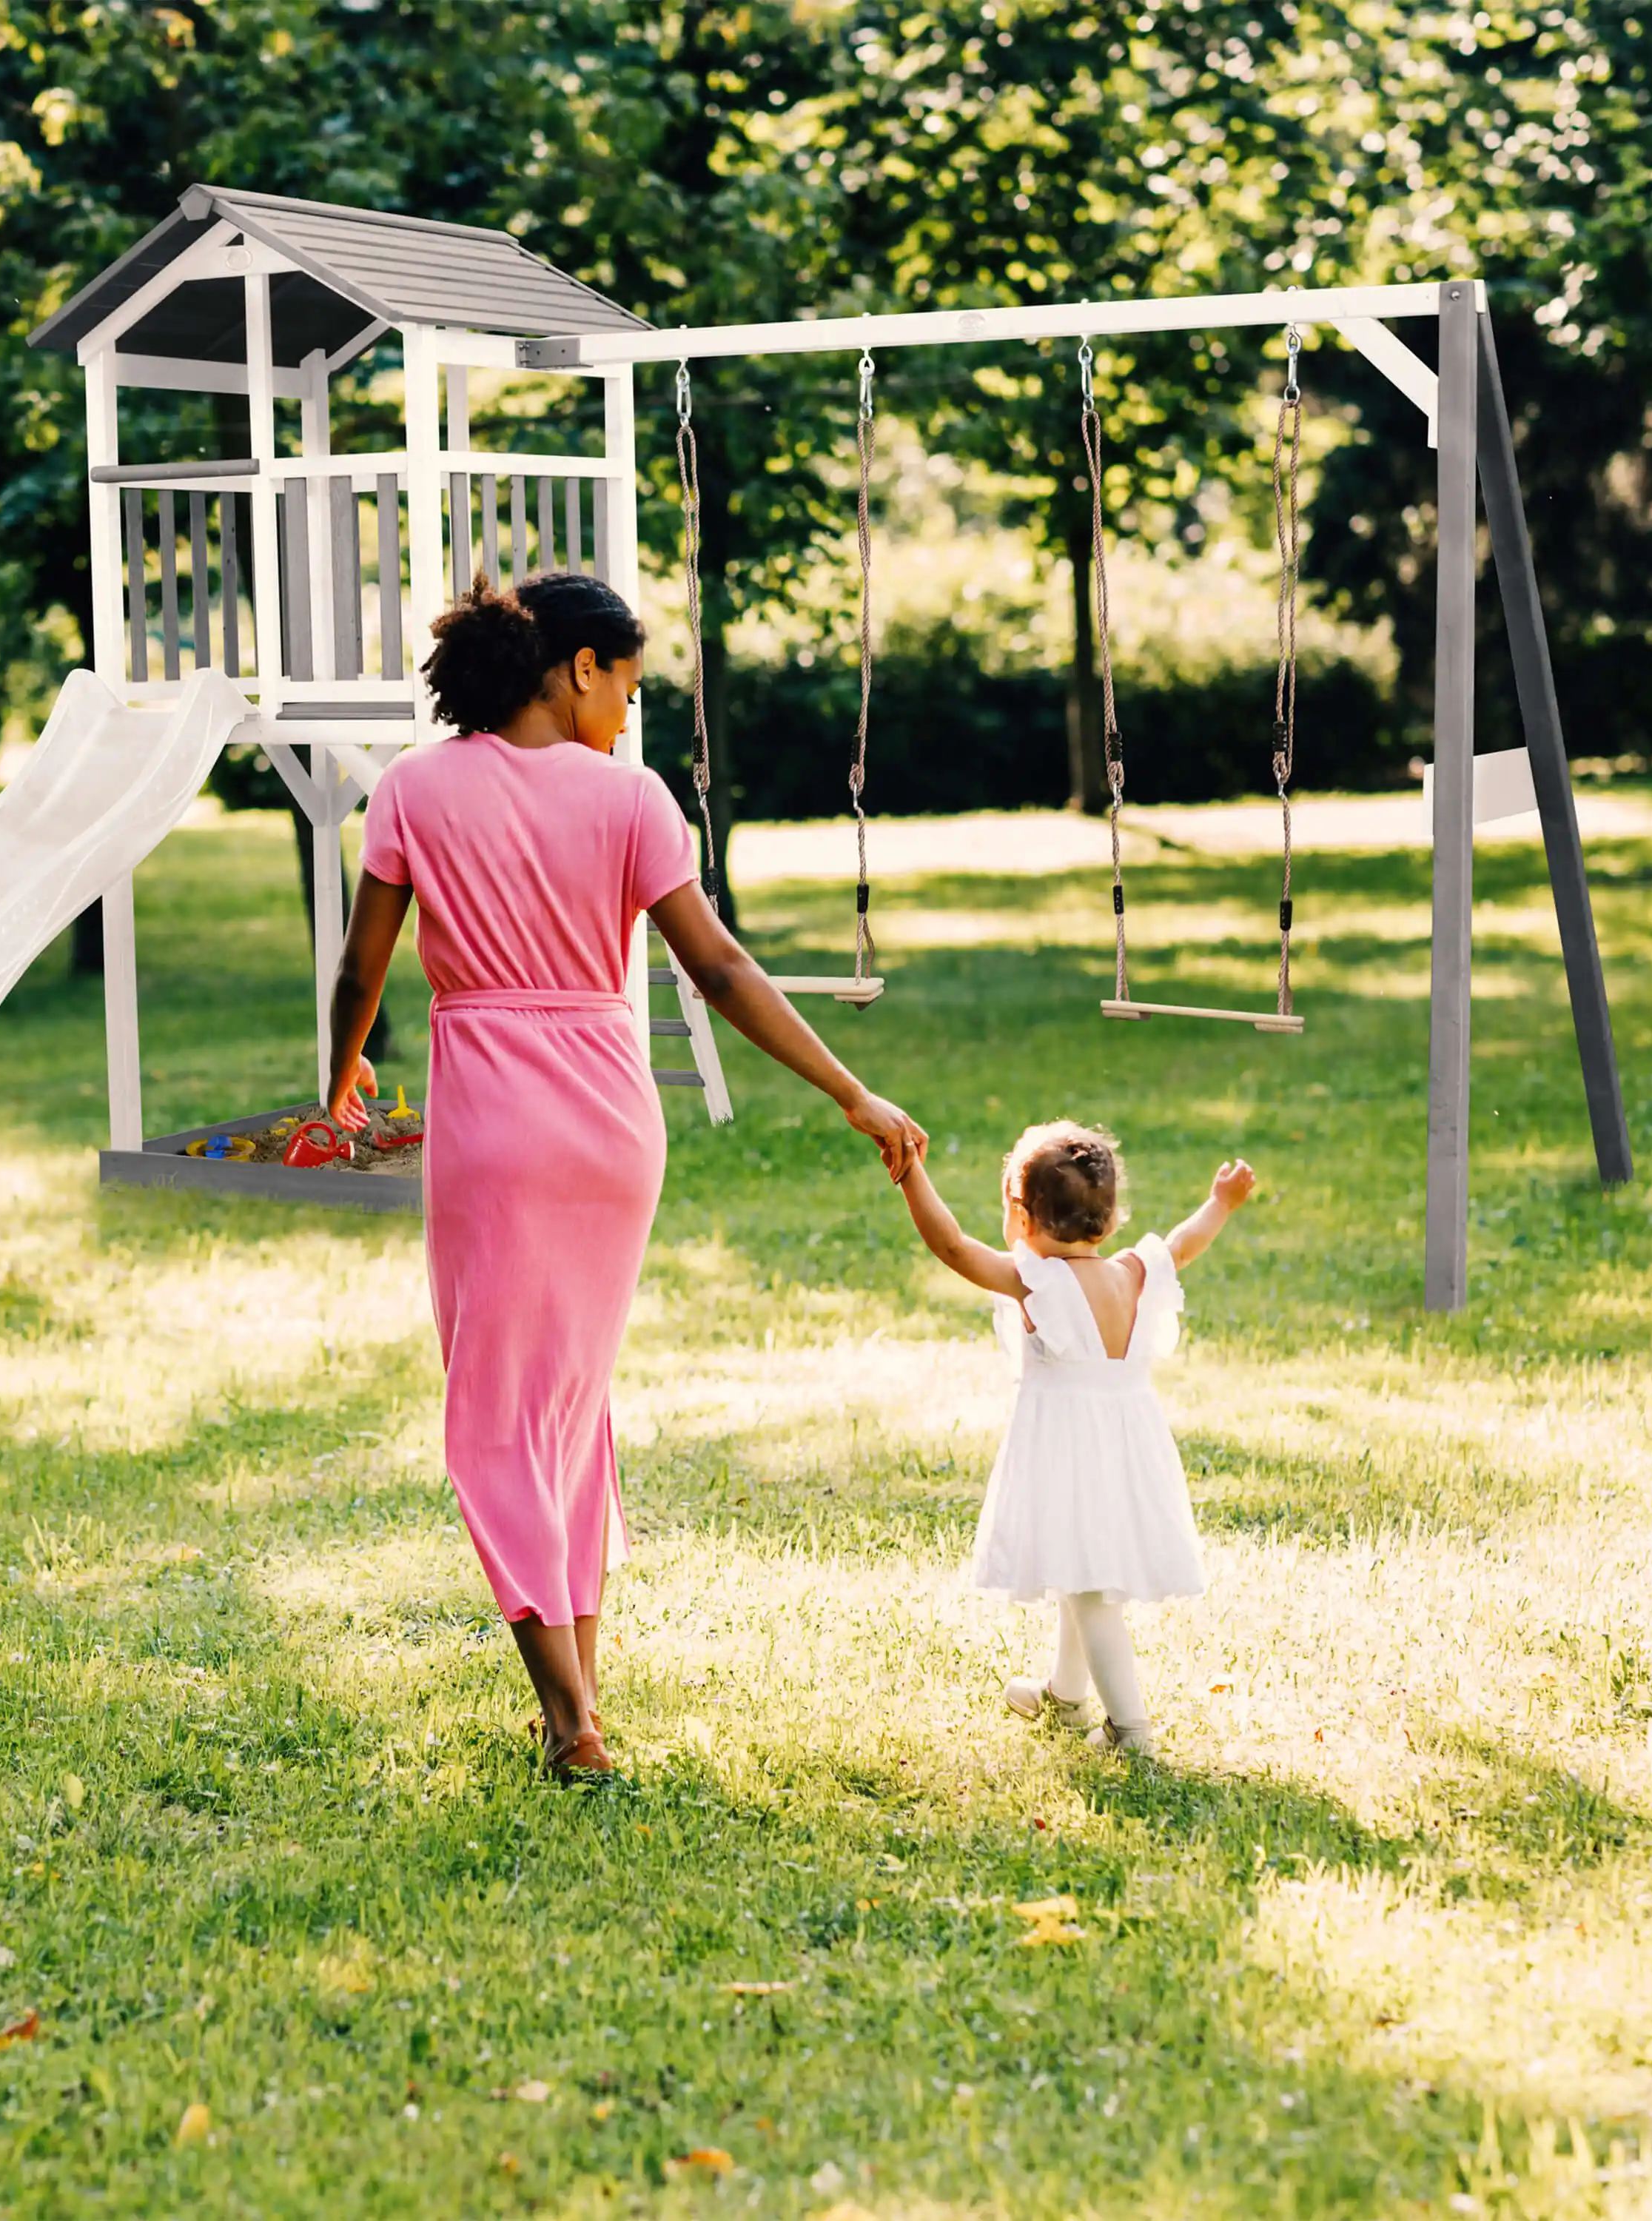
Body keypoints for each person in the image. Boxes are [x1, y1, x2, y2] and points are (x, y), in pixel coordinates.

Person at [326, 572, 928, 1779]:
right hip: (610, 1122)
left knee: (498, 1417)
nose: (629, 712)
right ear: (578, 667)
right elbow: (720, 970)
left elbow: (363, 967)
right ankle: (579, 1698)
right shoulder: (631, 801)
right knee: (567, 1408)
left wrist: (338, 1078)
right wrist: (850, 1090)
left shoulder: (413, 790)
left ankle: (569, 1718)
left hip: (494, 1122)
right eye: (629, 685)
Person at [892, 1122, 1256, 1756]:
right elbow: (1183, 1242)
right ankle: (1064, 1696)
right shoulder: (1134, 1272)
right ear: (1109, 1220)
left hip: (1069, 1452)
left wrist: (910, 1172)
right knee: (1076, 1565)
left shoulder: (1038, 1283)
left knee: (1089, 1590)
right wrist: (1220, 1203)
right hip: (1127, 1448)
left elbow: (951, 1246)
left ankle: (1130, 1729)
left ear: (1022, 1216)